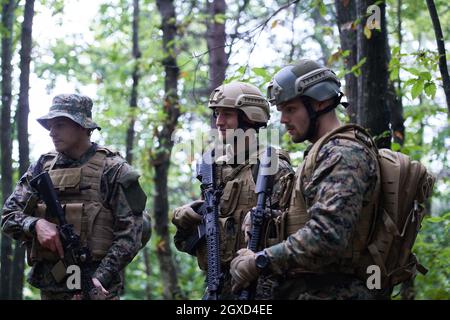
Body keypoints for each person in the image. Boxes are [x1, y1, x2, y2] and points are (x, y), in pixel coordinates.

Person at [230, 59, 390, 299]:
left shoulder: (343, 154)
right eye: (281, 110)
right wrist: (267, 220)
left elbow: (328, 237)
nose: (283, 119)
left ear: (320, 103)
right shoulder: (324, 152)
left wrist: (260, 261)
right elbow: (308, 218)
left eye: (290, 109)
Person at [1, 93, 148, 300]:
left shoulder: (114, 169)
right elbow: (8, 217)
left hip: (98, 287)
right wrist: (35, 225)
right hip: (52, 287)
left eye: (60, 124)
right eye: (50, 125)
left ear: (83, 126)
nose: (52, 132)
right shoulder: (42, 167)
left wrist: (98, 279)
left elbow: (132, 234)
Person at [172, 81, 294, 299]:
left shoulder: (271, 165)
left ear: (250, 117)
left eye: (227, 114)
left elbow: (291, 231)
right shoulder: (213, 169)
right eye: (217, 114)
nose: (219, 122)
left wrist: (263, 218)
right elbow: (193, 242)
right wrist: (187, 220)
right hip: (216, 286)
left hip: (260, 287)